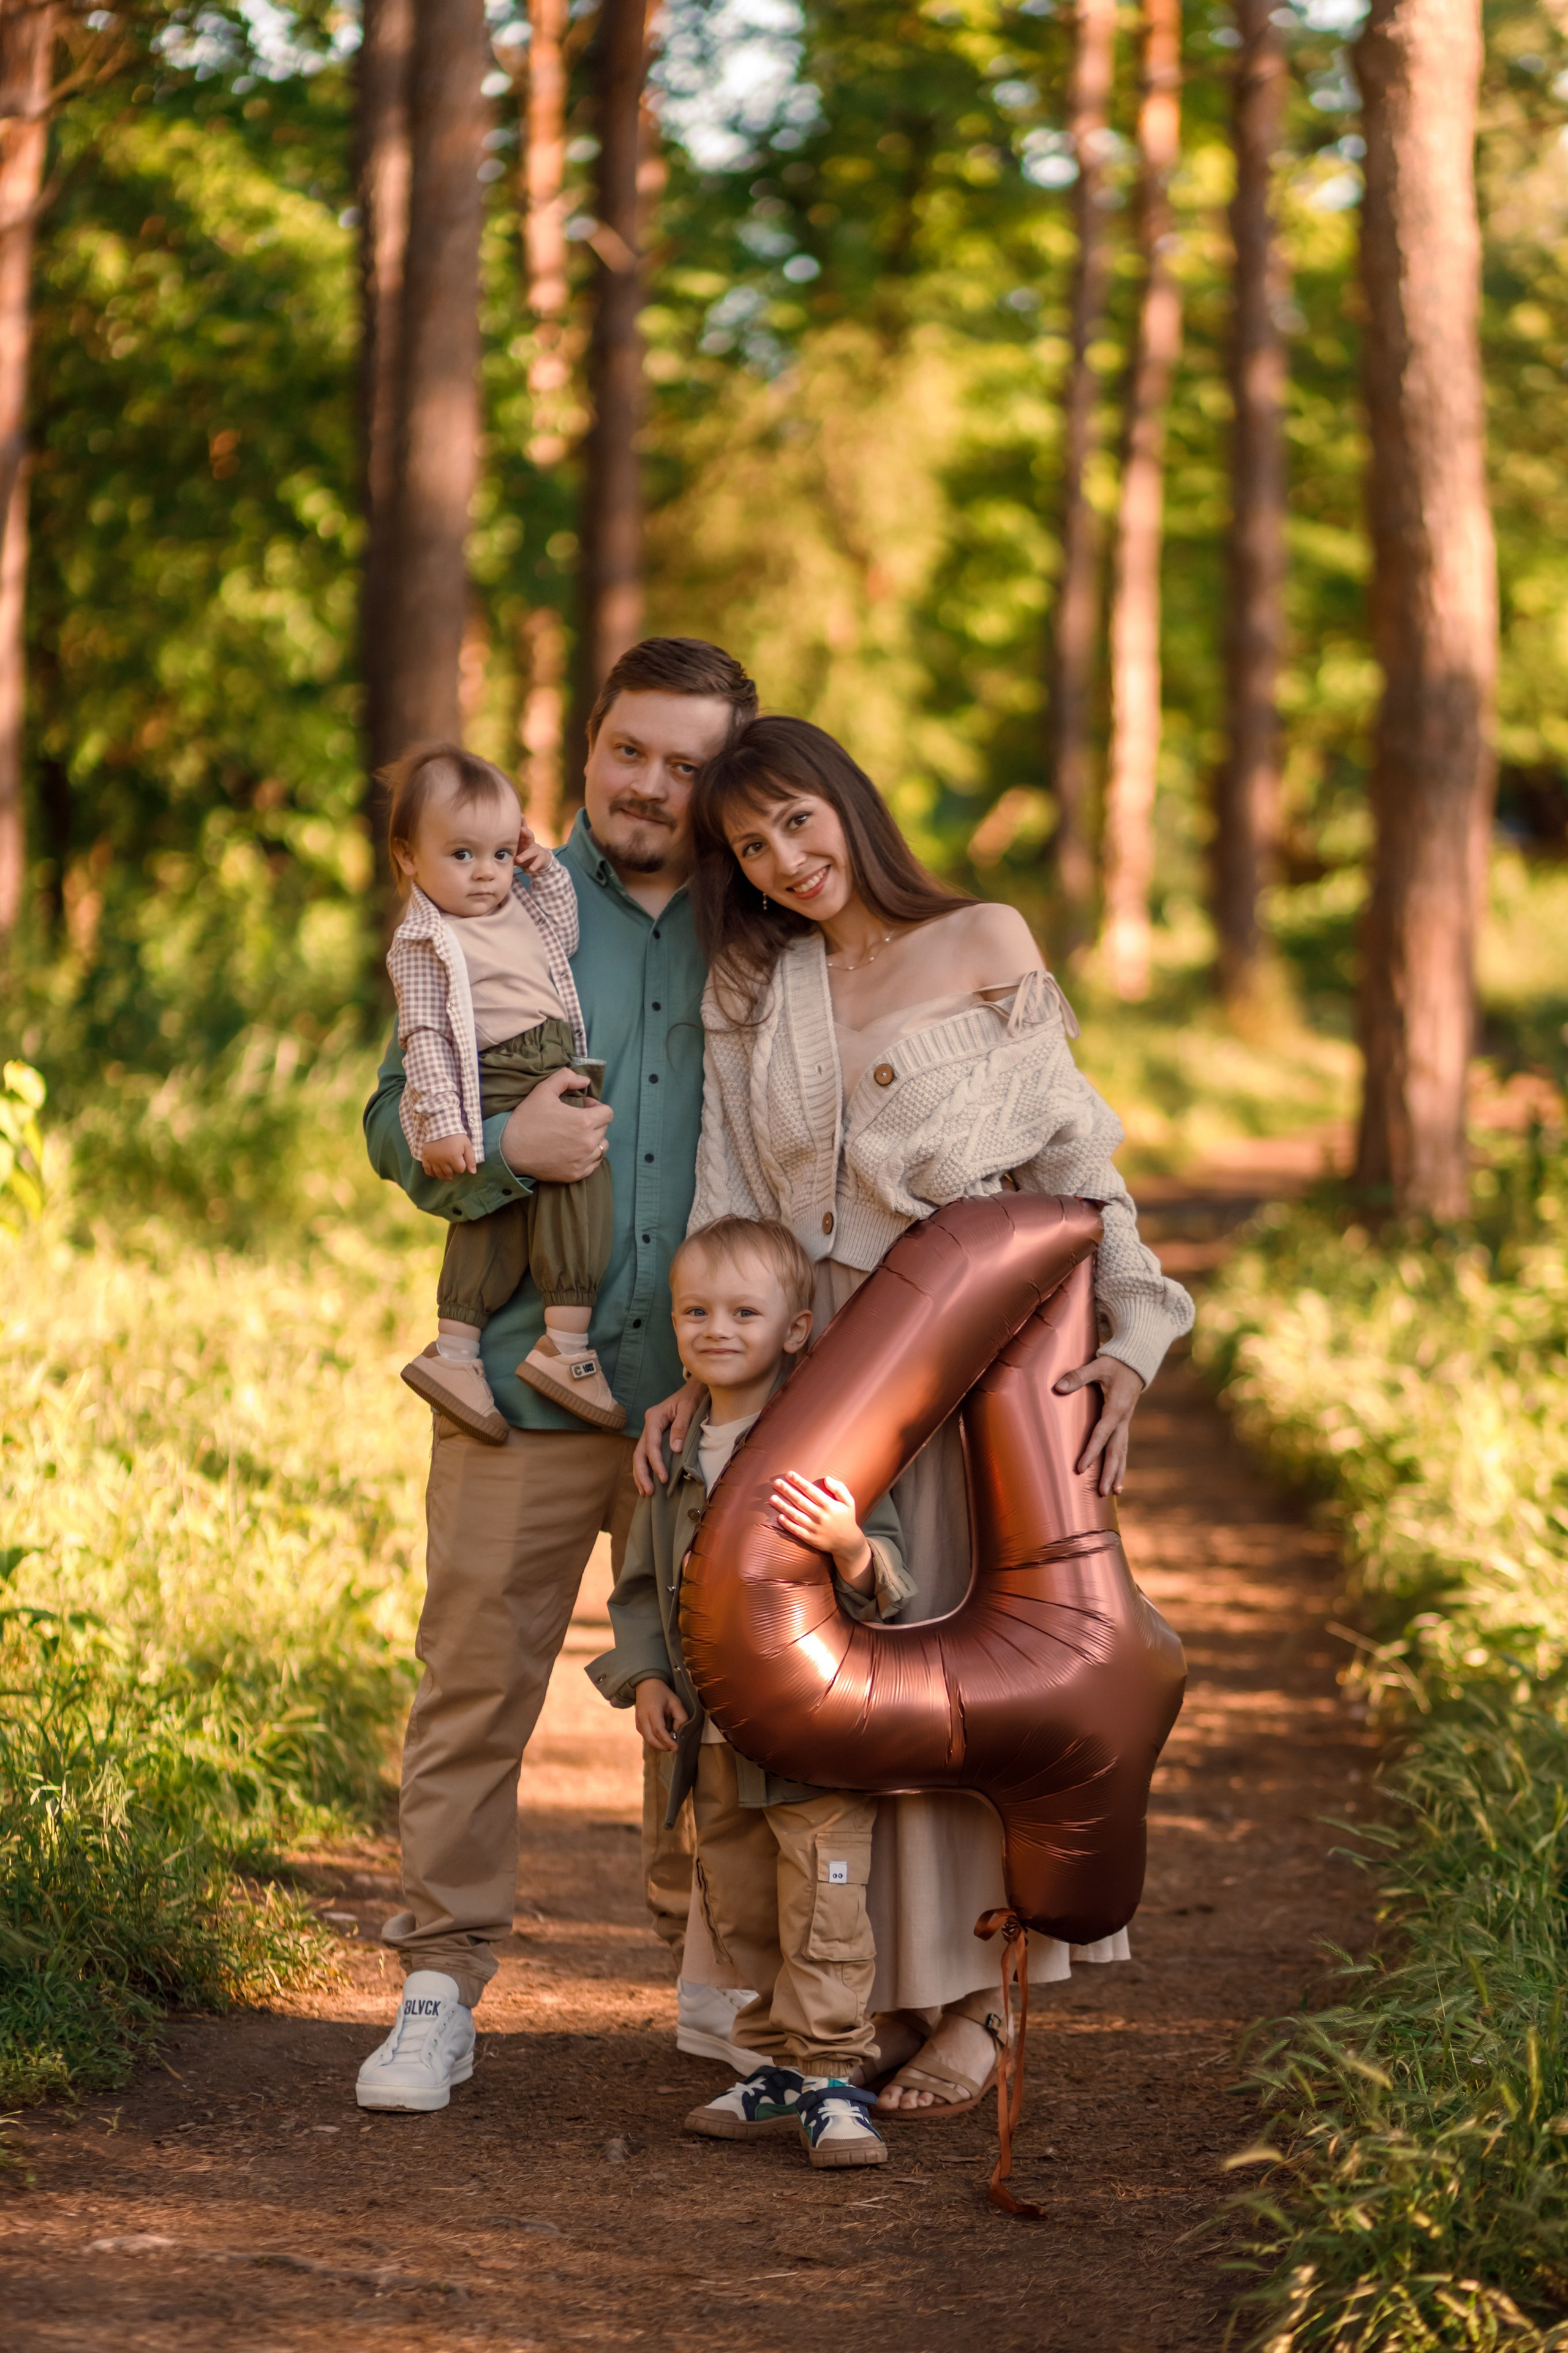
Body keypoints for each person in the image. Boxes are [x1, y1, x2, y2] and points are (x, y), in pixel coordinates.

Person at [635, 714, 1194, 2121]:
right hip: (822, 1363)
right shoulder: (756, 978)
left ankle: (980, 2011)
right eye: (751, 846)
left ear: (848, 802)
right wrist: (697, 1370)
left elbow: (1078, 1156)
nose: (783, 860)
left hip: (972, 1351)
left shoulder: (984, 937)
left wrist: (1133, 1332)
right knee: (838, 1683)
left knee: (969, 1683)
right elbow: (722, 1193)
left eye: (797, 822)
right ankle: (868, 1999)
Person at [355, 638, 761, 2114]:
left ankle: (721, 1971)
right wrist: (486, 1160)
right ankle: (435, 1986)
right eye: (630, 750)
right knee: (470, 1682)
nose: (654, 783)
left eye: (689, 760)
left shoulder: (763, 916)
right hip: (525, 1377)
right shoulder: (490, 887)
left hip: (714, 1405)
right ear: (586, 746)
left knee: (721, 1691)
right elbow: (393, 1107)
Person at [587, 1215, 911, 2170]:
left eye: (743, 1311)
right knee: (739, 1906)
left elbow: (891, 1572)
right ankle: (776, 2064)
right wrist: (645, 1672)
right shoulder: (668, 1455)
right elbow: (638, 1584)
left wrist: (850, 1544)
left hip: (811, 1734)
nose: (715, 1328)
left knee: (825, 1906)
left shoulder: (824, 1445)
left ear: (797, 1328)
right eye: (696, 1310)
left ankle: (835, 2081)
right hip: (713, 1739)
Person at [385, 743, 620, 1440]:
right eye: (461, 855)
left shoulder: (517, 902)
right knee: (572, 1184)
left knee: (519, 1212)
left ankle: (460, 1356)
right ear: (408, 857)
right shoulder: (427, 940)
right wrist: (442, 1129)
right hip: (494, 1072)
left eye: (498, 853)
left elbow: (566, 930)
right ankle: (562, 1348)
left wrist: (543, 871)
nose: (485, 873)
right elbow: (424, 1038)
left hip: (546, 1061)